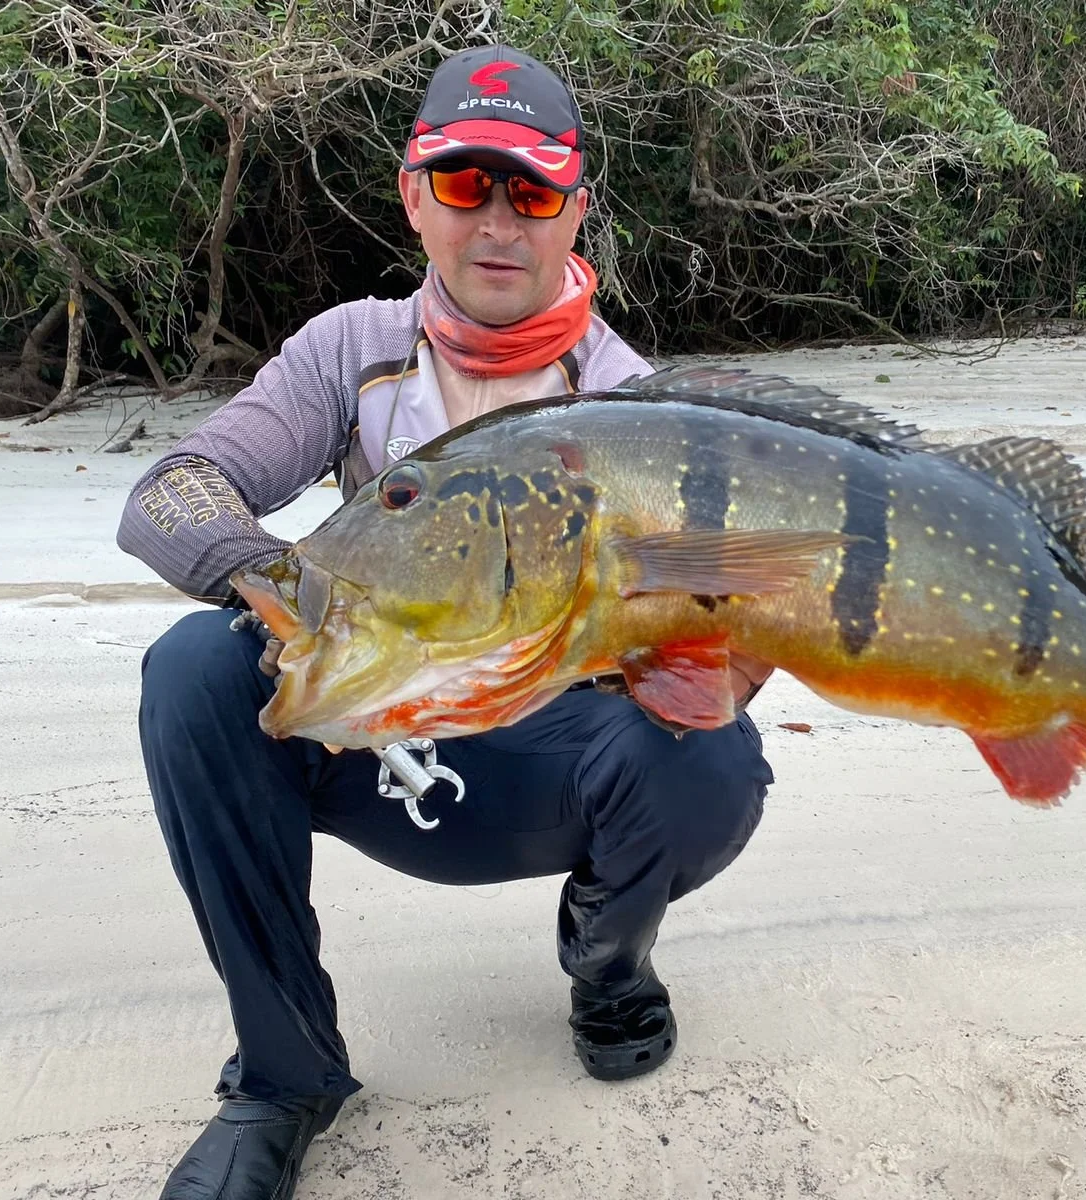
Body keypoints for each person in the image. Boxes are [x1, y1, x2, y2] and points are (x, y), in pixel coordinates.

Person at [118, 46, 773, 1200]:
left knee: (708, 754)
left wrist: (724, 640)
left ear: (579, 208)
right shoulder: (349, 354)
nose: (501, 222)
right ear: (416, 195)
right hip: (386, 752)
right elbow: (172, 490)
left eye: (534, 189)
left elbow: (730, 600)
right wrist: (284, 587)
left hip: (551, 769)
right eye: (469, 185)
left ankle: (609, 960)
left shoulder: (639, 408)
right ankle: (283, 1075)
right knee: (191, 674)